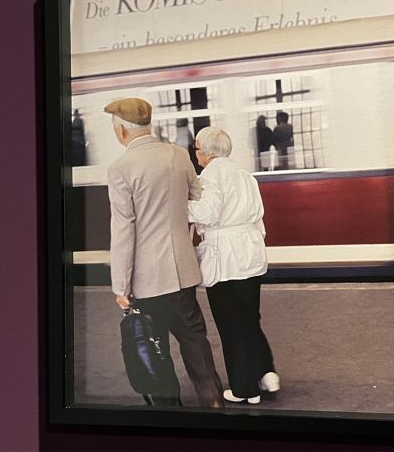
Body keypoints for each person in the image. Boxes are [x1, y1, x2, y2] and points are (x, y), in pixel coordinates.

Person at [104, 97, 224, 408]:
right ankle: (213, 404)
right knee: (195, 341)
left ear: (121, 131)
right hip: (182, 272)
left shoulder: (120, 168)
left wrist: (121, 286)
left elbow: (123, 230)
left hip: (147, 280)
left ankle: (170, 414)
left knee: (155, 346)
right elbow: (196, 199)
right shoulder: (178, 155)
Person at [188, 127, 280, 405]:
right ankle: (266, 373)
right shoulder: (244, 175)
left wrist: (179, 205)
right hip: (250, 251)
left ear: (205, 151)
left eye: (196, 148)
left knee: (230, 325)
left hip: (225, 256)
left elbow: (208, 212)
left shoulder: (210, 176)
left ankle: (244, 389)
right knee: (249, 318)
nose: (196, 153)